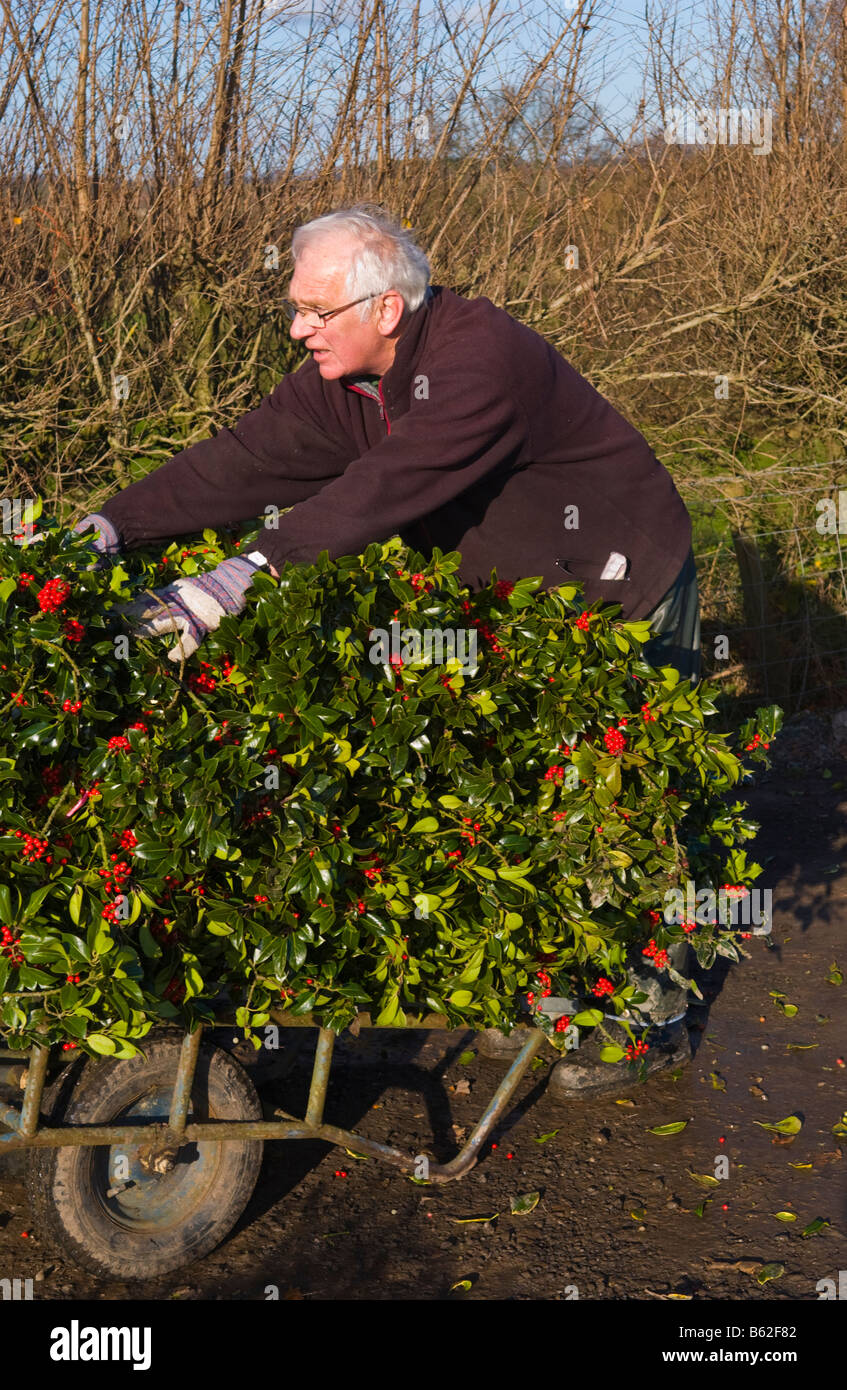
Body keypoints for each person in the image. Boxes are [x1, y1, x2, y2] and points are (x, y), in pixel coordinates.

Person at [73, 204, 700, 1094]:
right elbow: (242, 460)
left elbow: (381, 491)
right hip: (510, 597)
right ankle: (547, 984)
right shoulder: (343, 378)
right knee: (513, 786)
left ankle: (645, 1014)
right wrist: (108, 526)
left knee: (614, 795)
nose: (297, 329)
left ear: (385, 310)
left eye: (313, 313)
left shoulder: (482, 362)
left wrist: (227, 585)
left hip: (616, 576)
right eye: (294, 308)